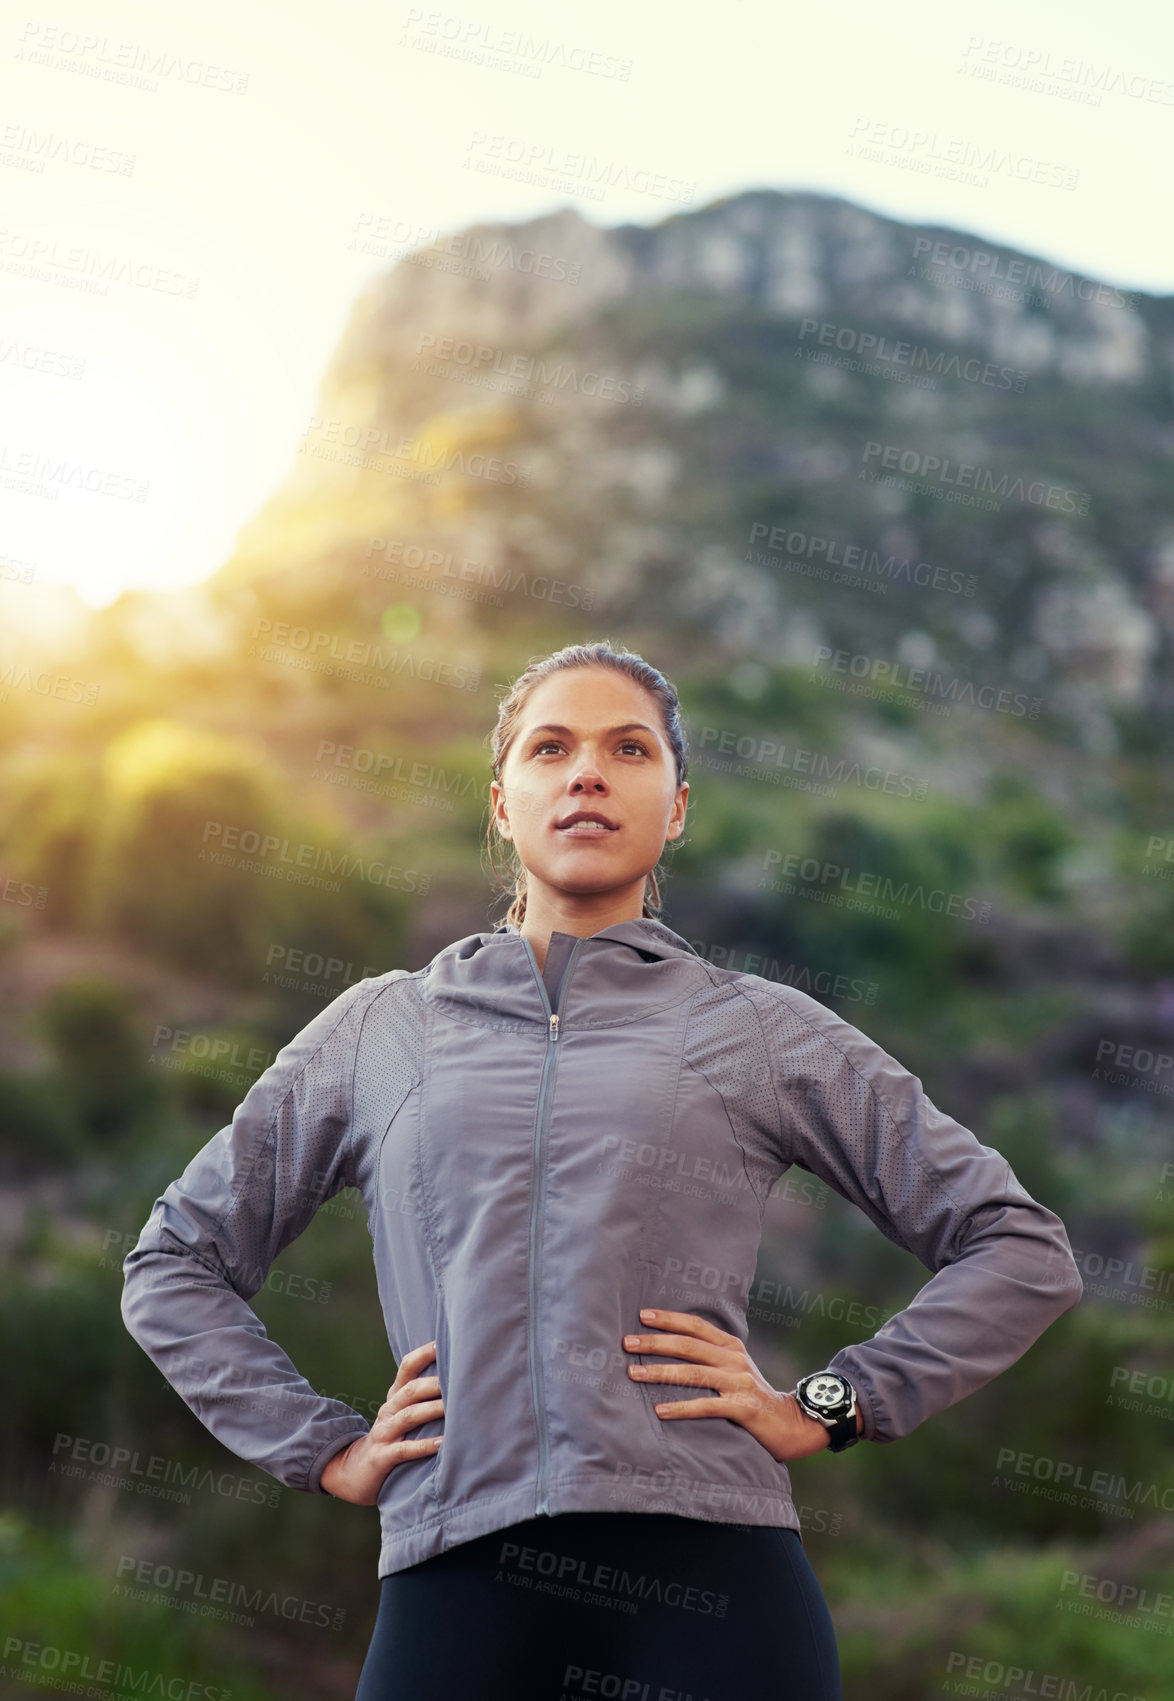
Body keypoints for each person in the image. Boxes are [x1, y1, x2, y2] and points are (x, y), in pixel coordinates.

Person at [121, 639, 1085, 1700]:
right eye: (551, 748)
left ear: (674, 808)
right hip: (456, 1580)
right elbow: (173, 1264)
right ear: (501, 802)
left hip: (714, 1592)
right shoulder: (377, 1031)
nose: (586, 772)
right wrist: (321, 1446)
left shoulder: (756, 1029)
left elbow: (1019, 1248)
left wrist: (828, 1402)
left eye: (628, 749)